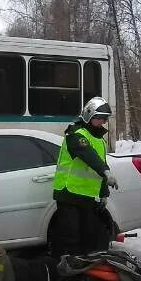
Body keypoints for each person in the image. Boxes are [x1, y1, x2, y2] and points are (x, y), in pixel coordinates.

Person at [51, 97, 120, 257]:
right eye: (98, 118)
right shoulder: (75, 134)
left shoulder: (99, 140)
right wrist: (106, 172)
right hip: (68, 194)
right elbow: (88, 155)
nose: (102, 122)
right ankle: (67, 272)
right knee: (70, 237)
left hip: (87, 196)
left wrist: (103, 193)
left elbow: (100, 163)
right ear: (88, 115)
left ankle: (82, 271)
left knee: (87, 237)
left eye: (104, 119)